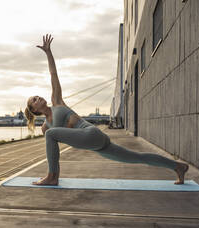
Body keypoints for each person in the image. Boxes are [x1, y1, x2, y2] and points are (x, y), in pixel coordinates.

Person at [24, 34, 189, 186]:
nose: (39, 98)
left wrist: (48, 53)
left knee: (50, 134)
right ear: (35, 110)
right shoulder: (45, 126)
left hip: (92, 134)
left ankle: (52, 177)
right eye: (35, 100)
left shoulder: (57, 102)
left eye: (37, 96)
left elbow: (53, 74)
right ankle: (177, 167)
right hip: (97, 146)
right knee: (135, 157)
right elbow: (57, 146)